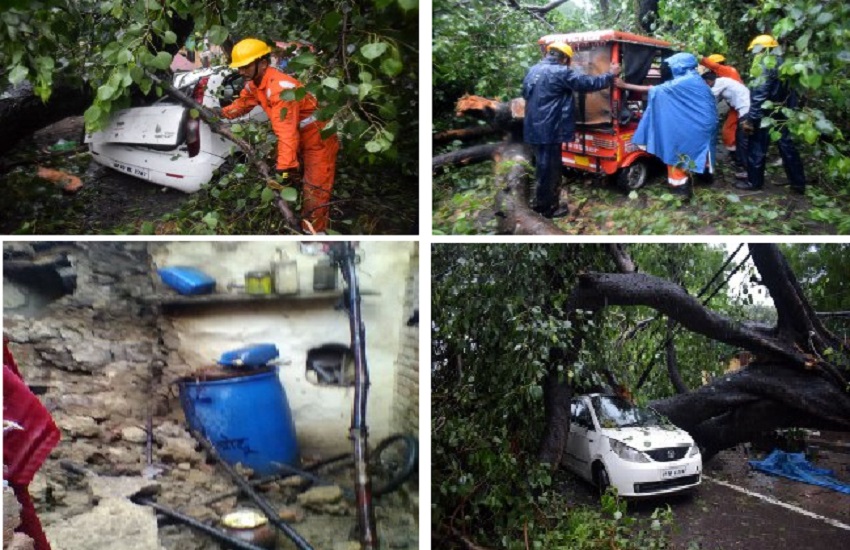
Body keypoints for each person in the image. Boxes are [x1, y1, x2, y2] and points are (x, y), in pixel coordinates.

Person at [220, 38, 340, 232]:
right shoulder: (255, 84)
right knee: (293, 178)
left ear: (263, 63)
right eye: (239, 67)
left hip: (318, 139)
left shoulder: (279, 90)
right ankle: (293, 211)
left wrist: (283, 169)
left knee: (315, 191)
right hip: (298, 136)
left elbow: (286, 134)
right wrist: (221, 114)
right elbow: (241, 105)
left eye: (245, 67)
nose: (241, 72)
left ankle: (314, 235)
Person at [522, 41, 620, 217]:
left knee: (542, 167)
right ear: (565, 58)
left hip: (533, 127)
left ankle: (540, 202)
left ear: (549, 53)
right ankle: (546, 210)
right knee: (549, 170)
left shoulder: (533, 70)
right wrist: (610, 75)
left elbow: (526, 94)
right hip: (550, 129)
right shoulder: (560, 72)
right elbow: (588, 83)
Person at [626, 52, 717, 198]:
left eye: (673, 65)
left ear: (681, 66)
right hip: (705, 124)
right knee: (701, 149)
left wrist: (624, 85)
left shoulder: (685, 81)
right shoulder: (695, 78)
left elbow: (655, 90)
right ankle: (705, 177)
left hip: (697, 125)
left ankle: (680, 190)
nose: (672, 68)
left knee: (677, 150)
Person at [736, 34, 806, 194]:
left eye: (755, 51)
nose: (754, 54)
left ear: (761, 49)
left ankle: (754, 182)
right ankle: (798, 182)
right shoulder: (784, 64)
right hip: (782, 112)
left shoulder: (766, 64)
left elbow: (760, 93)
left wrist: (752, 119)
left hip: (766, 114)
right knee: (787, 146)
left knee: (757, 148)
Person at [701, 70, 751, 175]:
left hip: (745, 110)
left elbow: (709, 97)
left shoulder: (720, 83)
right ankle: (741, 164)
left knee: (743, 141)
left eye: (704, 83)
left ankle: (747, 170)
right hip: (743, 109)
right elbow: (716, 100)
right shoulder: (722, 83)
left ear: (708, 81)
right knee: (739, 138)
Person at [700, 54, 745, 161]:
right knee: (733, 131)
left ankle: (738, 157)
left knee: (729, 131)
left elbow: (711, 65)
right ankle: (737, 155)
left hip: (740, 107)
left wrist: (698, 57)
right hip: (737, 106)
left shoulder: (725, 70)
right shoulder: (726, 74)